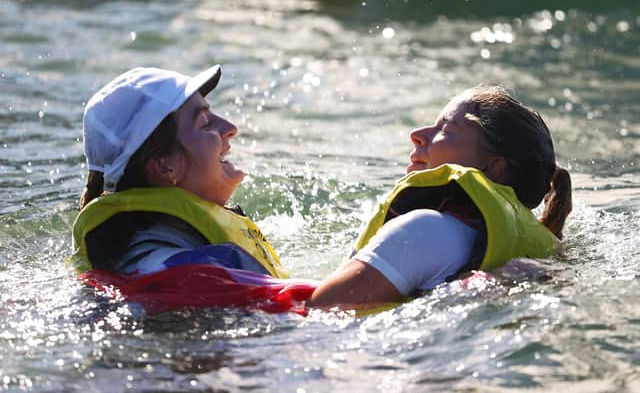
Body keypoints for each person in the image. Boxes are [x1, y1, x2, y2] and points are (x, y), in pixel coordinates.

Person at [308, 86, 572, 309]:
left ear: (494, 167)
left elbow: (322, 312)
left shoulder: (422, 231)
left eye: (444, 129)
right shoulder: (531, 250)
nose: (417, 135)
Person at [69, 65, 288, 281]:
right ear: (164, 167)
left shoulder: (187, 244)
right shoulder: (168, 269)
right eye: (204, 123)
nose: (230, 127)